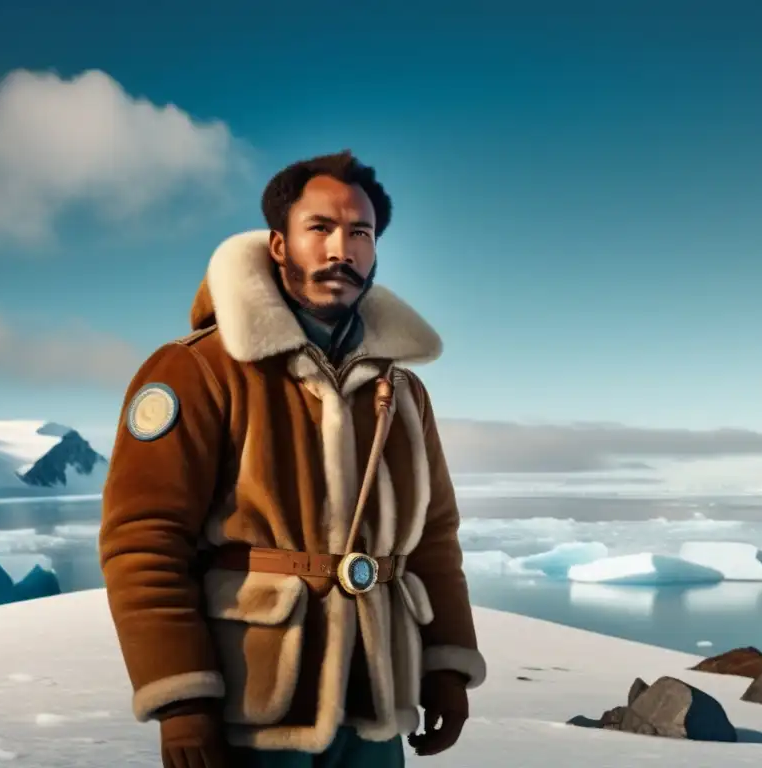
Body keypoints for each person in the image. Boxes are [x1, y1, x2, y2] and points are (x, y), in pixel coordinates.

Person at [98, 150, 486, 768]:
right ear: (279, 244)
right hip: (255, 706)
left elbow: (434, 538)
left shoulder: (403, 390)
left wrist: (446, 662)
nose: (342, 249)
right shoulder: (197, 370)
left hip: (376, 702)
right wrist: (181, 699)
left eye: (360, 233)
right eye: (320, 228)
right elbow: (144, 541)